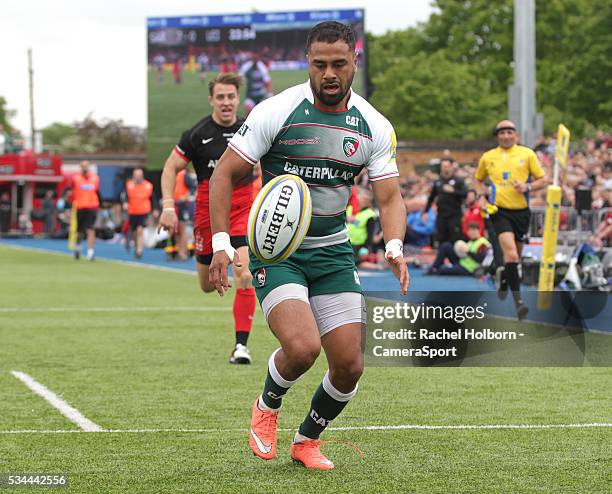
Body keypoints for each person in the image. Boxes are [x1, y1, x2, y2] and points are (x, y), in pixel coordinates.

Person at [208, 21, 409, 471]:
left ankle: (306, 440)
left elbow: (390, 195)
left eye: (339, 63)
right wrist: (222, 242)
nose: (330, 73)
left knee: (350, 365)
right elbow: (224, 174)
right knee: (301, 348)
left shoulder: (374, 126)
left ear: (355, 61)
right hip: (278, 251)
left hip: (334, 251)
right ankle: (267, 406)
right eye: (320, 64)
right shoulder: (276, 111)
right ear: (308, 63)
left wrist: (394, 245)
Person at [157, 72, 256, 365]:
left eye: (231, 97)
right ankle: (213, 265)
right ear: (211, 100)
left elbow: (266, 163)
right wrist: (168, 206)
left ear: (238, 98)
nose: (226, 102)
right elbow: (169, 168)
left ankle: (241, 346)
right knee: (207, 284)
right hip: (208, 214)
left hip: (242, 211)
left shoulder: (251, 129)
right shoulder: (196, 134)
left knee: (244, 275)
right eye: (221, 97)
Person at [475, 120, 548, 319]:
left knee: (514, 257)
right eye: (502, 132)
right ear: (497, 136)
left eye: (509, 132)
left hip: (522, 212)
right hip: (499, 211)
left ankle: (505, 279)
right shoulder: (488, 157)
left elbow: (543, 179)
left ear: (515, 135)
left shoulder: (527, 154)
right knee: (512, 256)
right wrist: (481, 196)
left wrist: (528, 187)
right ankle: (519, 303)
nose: (506, 136)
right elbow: (478, 179)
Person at [423, 157, 467, 245]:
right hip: (441, 216)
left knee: (455, 240)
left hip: (454, 215)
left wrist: (453, 191)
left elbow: (465, 194)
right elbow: (431, 197)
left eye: (447, 166)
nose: (445, 168)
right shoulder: (438, 182)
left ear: (451, 167)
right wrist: (425, 212)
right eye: (443, 166)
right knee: (441, 239)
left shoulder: (458, 181)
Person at [72, 160, 100, 260]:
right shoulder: (76, 178)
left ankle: (90, 252)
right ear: (80, 167)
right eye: (83, 166)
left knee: (91, 229)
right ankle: (78, 248)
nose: (85, 168)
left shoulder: (95, 178)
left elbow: (98, 192)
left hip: (92, 207)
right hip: (80, 207)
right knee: (80, 232)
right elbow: (71, 191)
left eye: (86, 166)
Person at [124, 168, 153, 259]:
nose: (138, 177)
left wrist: (155, 209)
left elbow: (153, 198)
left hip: (144, 211)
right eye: (136, 175)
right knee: (134, 232)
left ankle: (139, 250)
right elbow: (124, 196)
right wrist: (125, 203)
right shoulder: (129, 185)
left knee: (140, 230)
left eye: (139, 175)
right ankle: (135, 245)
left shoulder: (148, 185)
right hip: (132, 211)